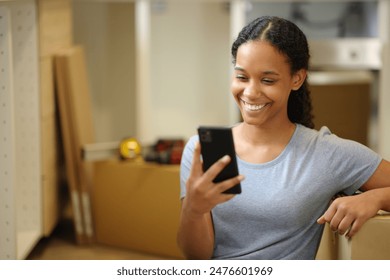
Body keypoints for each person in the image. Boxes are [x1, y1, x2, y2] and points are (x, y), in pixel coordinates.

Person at [177, 16, 390, 260]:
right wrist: (194, 210)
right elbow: (197, 259)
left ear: (297, 79)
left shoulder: (324, 152)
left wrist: (376, 197)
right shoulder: (209, 148)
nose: (250, 92)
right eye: (242, 77)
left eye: (267, 80)